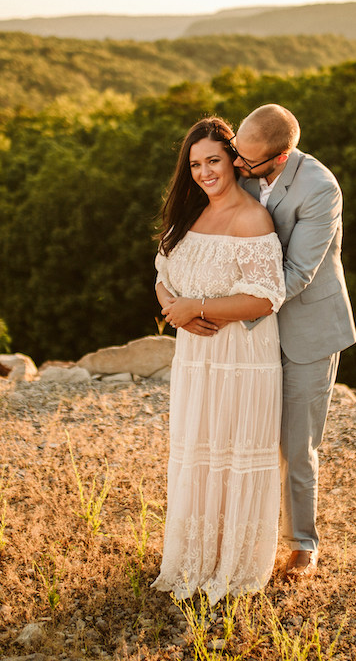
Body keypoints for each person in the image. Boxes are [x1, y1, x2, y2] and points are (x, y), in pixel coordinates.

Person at [183, 104, 356, 579]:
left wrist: (214, 307)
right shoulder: (247, 158)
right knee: (246, 436)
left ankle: (302, 544)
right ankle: (242, 533)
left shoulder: (320, 190)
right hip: (250, 334)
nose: (235, 166)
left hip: (303, 329)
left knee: (296, 445)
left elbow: (295, 275)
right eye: (235, 152)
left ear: (279, 159)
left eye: (247, 162)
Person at [150, 116, 286, 604]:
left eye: (213, 160)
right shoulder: (187, 215)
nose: (205, 172)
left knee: (232, 454)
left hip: (241, 357)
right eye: (195, 164)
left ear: (233, 159)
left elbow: (267, 298)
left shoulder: (252, 218)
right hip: (195, 354)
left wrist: (198, 308)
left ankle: (234, 562)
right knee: (199, 450)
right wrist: (173, 305)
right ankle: (194, 554)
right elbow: (163, 271)